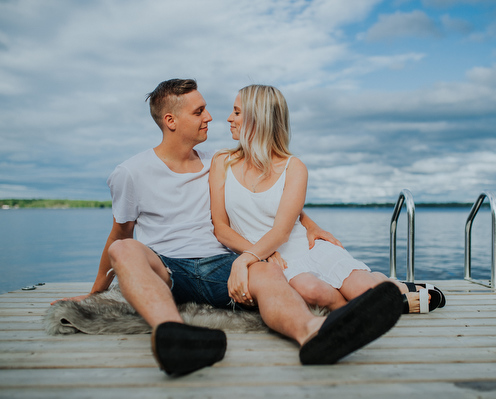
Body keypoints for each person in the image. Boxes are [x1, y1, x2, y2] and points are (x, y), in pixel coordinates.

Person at [52, 79, 404, 376]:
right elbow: (119, 235)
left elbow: (271, 196)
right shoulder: (130, 172)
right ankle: (172, 335)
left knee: (265, 270)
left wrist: (308, 224)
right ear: (171, 120)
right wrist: (95, 293)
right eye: (198, 112)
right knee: (123, 250)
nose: (210, 117)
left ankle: (311, 333)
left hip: (218, 262)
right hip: (166, 265)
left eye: (206, 109)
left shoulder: (217, 160)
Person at [210, 84, 445, 316]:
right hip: (272, 258)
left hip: (303, 247)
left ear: (258, 118)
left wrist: (247, 259)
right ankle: (365, 307)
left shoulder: (294, 167)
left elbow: (282, 231)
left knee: (364, 288)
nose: (230, 118)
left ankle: (393, 287)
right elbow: (221, 228)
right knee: (313, 292)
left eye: (238, 112)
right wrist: (255, 254)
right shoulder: (222, 162)